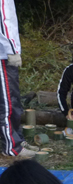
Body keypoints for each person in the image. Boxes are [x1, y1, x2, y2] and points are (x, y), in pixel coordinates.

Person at [0, 0, 38, 157]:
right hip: (3, 55)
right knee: (8, 102)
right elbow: (4, 21)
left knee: (12, 99)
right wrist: (12, 50)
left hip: (6, 53)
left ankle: (17, 140)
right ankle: (12, 148)